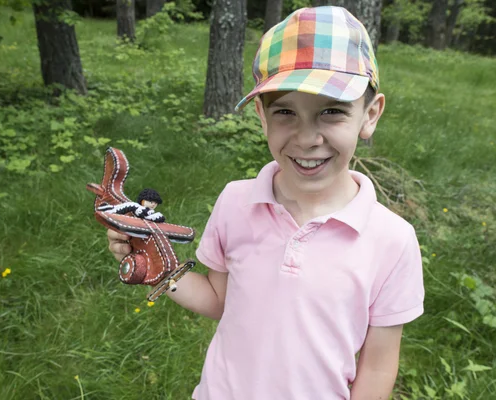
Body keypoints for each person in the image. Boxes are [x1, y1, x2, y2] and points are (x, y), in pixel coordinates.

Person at [107, 6, 424, 400]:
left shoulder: (393, 241)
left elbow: (378, 365)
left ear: (369, 115)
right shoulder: (236, 201)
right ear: (261, 115)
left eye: (332, 112)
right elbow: (220, 301)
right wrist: (157, 266)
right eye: (286, 112)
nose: (308, 138)